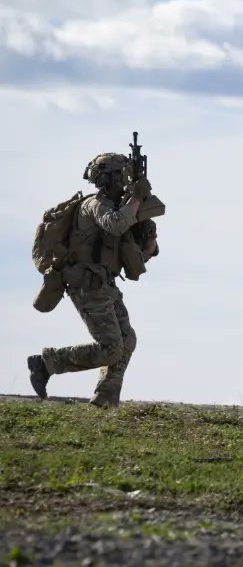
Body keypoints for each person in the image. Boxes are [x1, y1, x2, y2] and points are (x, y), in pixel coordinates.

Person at [27, 153, 158, 407]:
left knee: (126, 340)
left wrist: (147, 230)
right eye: (121, 176)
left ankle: (104, 399)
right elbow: (116, 224)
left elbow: (139, 253)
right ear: (108, 178)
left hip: (105, 284)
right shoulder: (94, 205)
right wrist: (136, 198)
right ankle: (46, 363)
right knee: (110, 348)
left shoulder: (116, 207)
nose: (125, 181)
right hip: (87, 285)